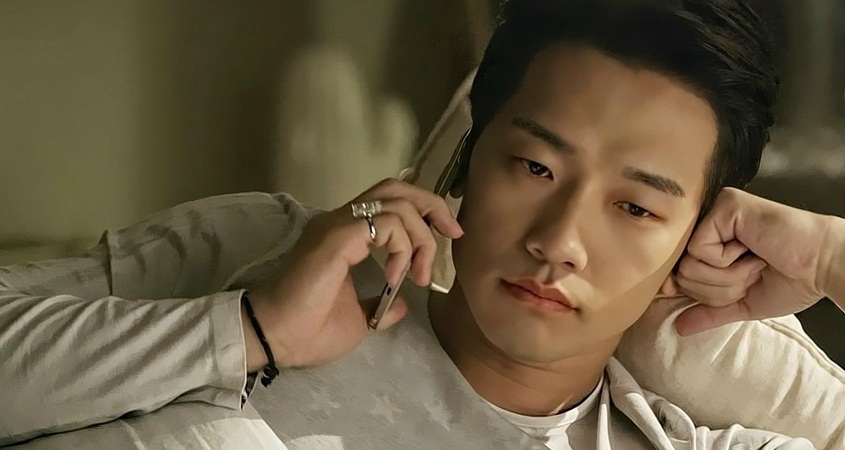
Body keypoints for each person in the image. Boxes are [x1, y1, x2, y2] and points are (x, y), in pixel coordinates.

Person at [0, 0, 838, 448]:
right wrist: (249, 329)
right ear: (468, 157)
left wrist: (832, 255)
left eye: (635, 208)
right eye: (534, 167)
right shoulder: (266, 252)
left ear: (692, 235)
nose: (558, 242)